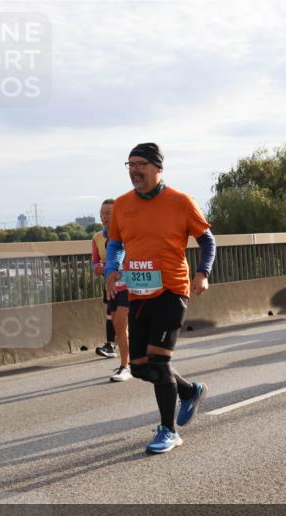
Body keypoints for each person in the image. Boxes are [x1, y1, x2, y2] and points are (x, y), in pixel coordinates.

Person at [105, 142, 214, 454]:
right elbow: (115, 243)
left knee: (159, 360)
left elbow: (207, 239)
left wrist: (203, 272)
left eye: (140, 164)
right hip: (139, 290)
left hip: (171, 289)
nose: (134, 170)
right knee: (139, 366)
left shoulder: (180, 201)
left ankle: (169, 430)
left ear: (157, 167)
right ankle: (190, 391)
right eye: (130, 165)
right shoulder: (123, 205)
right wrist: (112, 269)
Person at [92, 198, 131, 382]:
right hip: (112, 283)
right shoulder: (99, 237)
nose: (104, 217)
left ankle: (126, 366)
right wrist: (100, 268)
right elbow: (95, 262)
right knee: (117, 323)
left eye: (108, 213)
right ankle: (128, 362)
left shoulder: (127, 230)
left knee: (122, 322)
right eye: (102, 214)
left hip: (129, 282)